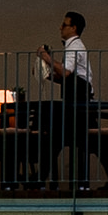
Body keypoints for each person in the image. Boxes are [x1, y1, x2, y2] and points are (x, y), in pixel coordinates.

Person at [39, 10, 95, 194]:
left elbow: (68, 72)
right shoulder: (74, 45)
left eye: (64, 24)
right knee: (74, 141)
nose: (60, 27)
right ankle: (41, 178)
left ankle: (40, 179)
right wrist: (48, 76)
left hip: (77, 103)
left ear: (74, 28)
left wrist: (46, 58)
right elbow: (66, 76)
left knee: (56, 139)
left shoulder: (73, 46)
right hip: (78, 101)